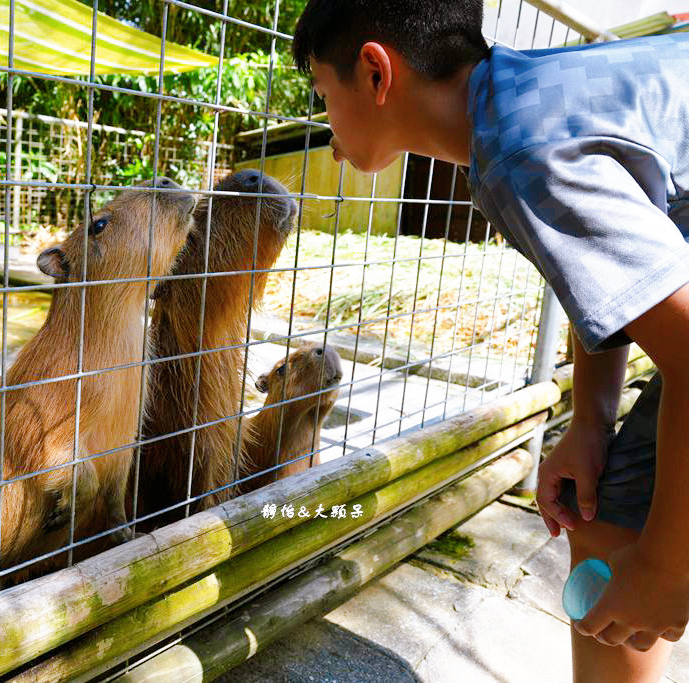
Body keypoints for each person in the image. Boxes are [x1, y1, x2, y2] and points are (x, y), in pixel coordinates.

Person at [291, 1, 689, 681]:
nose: (325, 126)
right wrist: (590, 420)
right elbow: (613, 278)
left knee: (631, 547)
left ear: (374, 72)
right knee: (607, 512)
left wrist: (664, 566)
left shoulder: (516, 150)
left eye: (322, 94)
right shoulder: (527, 98)